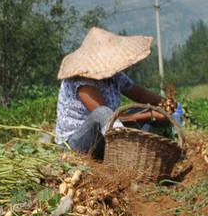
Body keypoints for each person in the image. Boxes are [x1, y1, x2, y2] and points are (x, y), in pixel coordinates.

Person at [55, 27, 167, 158]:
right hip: (76, 143)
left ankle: (142, 153)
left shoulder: (115, 76)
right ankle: (124, 155)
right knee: (103, 112)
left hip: (104, 133)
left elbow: (140, 94)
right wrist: (150, 114)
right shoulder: (81, 80)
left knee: (138, 112)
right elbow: (106, 117)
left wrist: (164, 103)